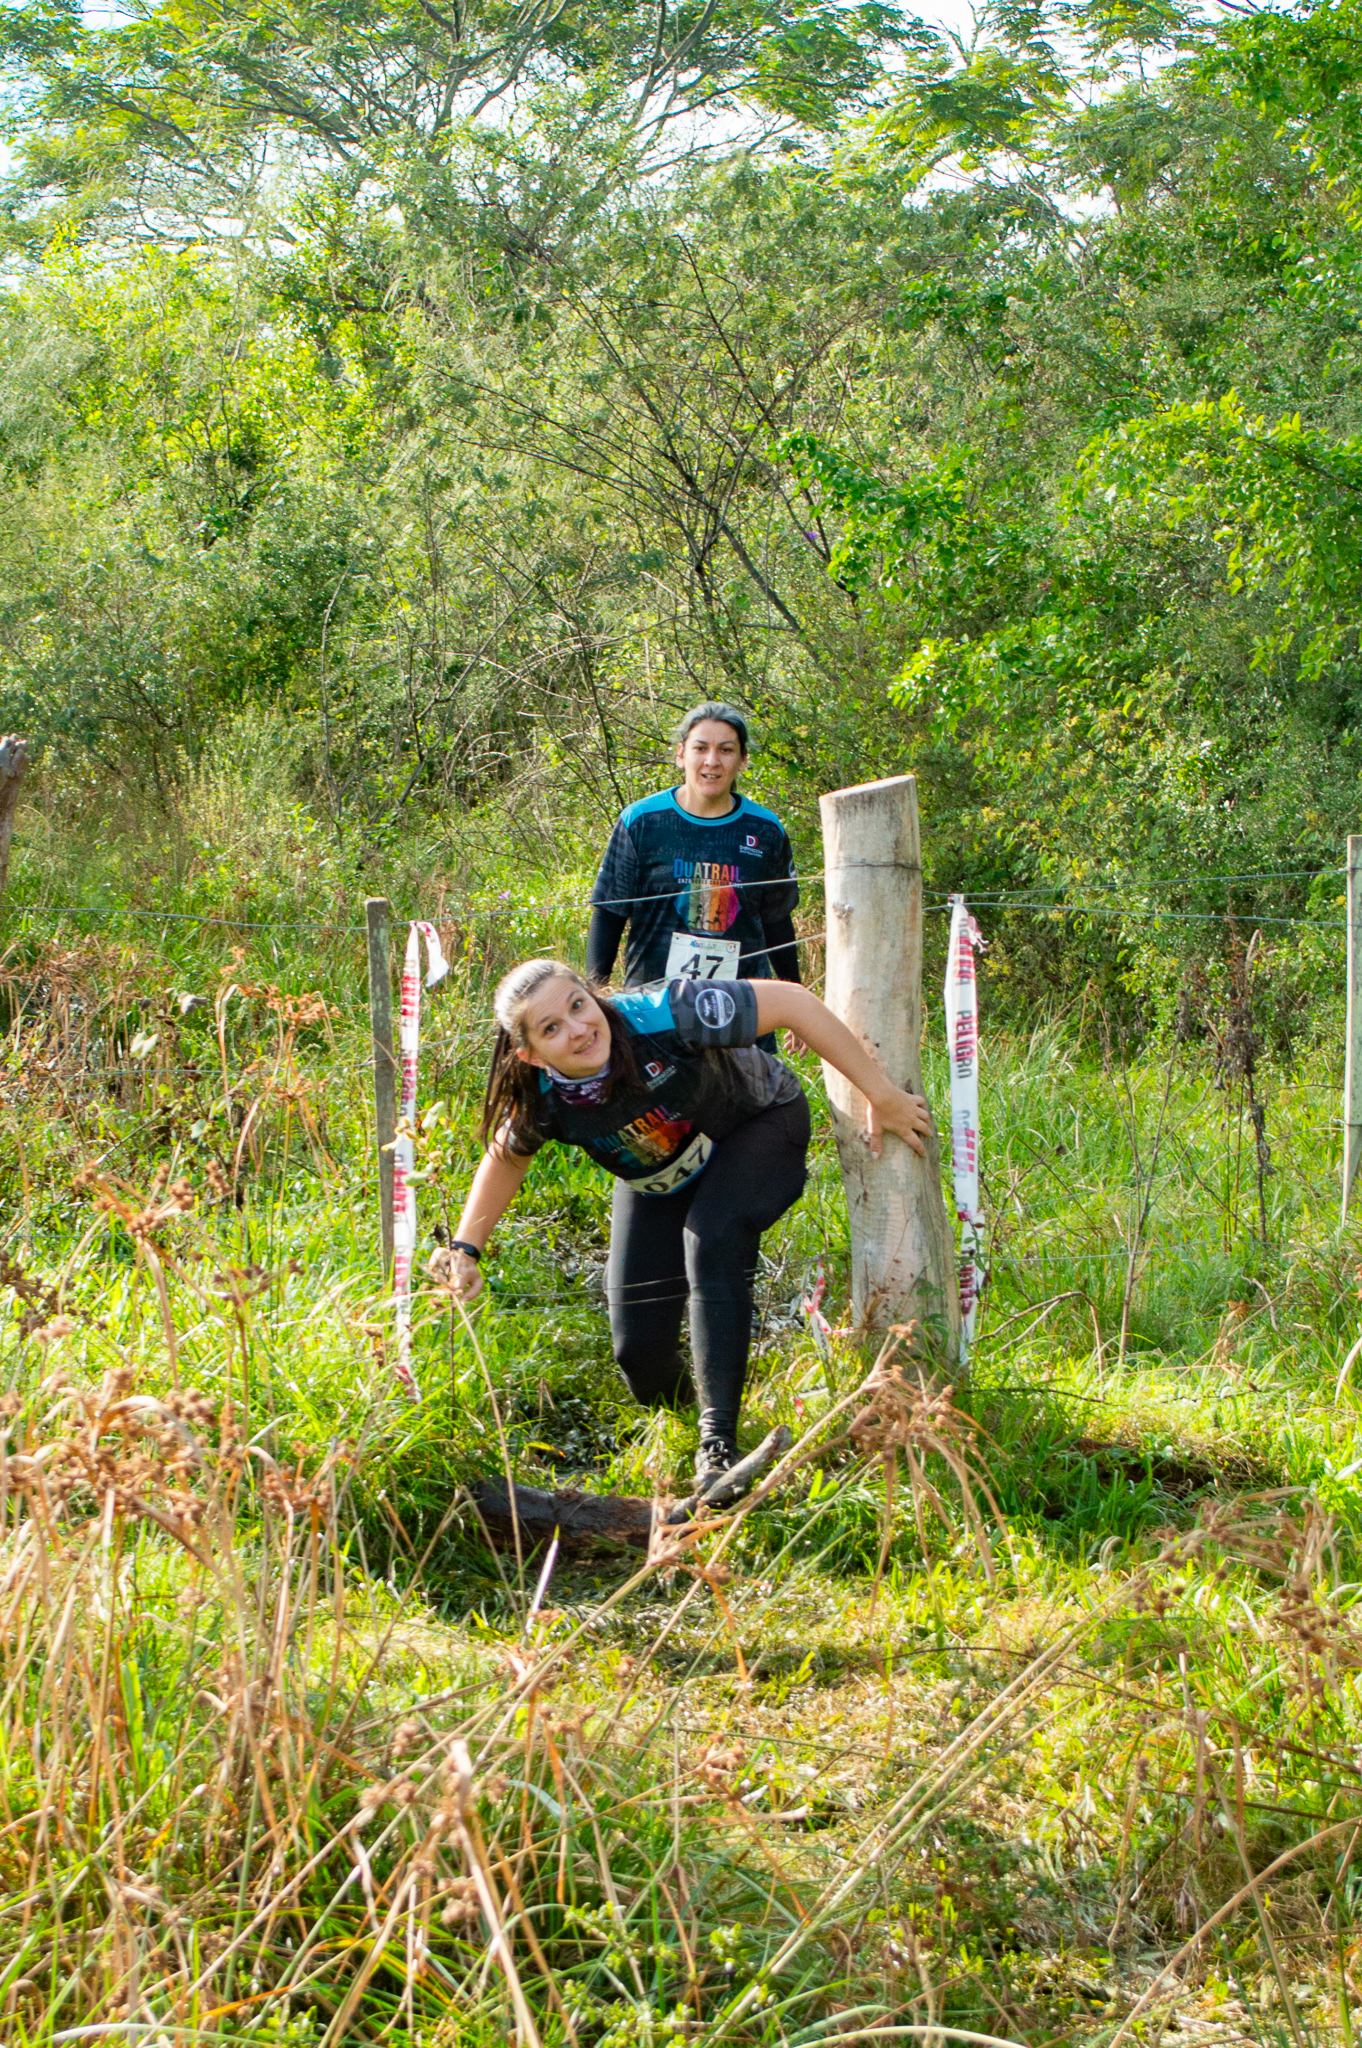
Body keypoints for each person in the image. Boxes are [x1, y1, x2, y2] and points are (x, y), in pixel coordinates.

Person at [441, 961, 935, 1498]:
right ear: (532, 1055)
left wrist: (881, 1094)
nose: (579, 1029)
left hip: (757, 1122)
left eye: (578, 1005)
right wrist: (466, 1249)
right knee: (638, 1352)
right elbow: (508, 1156)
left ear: (592, 996)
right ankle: (696, 1408)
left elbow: (793, 1003)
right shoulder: (542, 1094)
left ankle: (718, 1448)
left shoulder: (666, 1014)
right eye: (551, 1028)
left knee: (712, 1240)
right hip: (657, 1171)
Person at [586, 702, 802, 995]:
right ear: (680, 754)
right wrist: (595, 997)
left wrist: (796, 997)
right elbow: (608, 914)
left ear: (742, 760)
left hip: (742, 1006)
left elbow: (777, 921)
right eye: (700, 748)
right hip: (653, 1006)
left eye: (726, 750)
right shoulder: (641, 821)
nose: (712, 761)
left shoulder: (765, 829)